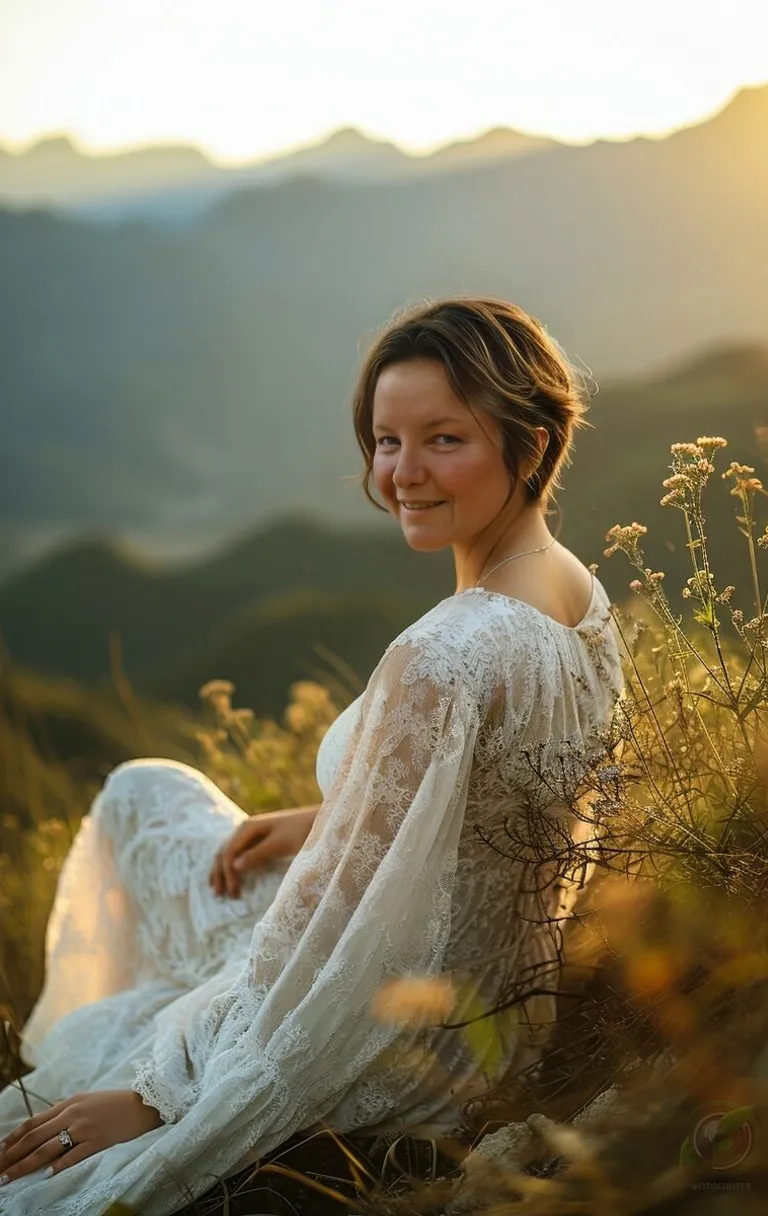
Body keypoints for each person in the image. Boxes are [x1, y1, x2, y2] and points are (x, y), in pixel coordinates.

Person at [0, 297, 625, 1215]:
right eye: (385, 441)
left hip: (399, 1025)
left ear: (527, 444)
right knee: (146, 790)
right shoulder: (576, 591)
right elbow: (504, 807)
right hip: (494, 1001)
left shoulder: (442, 654)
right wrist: (330, 815)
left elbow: (332, 932)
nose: (402, 473)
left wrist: (156, 1094)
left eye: (443, 440)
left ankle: (97, 1072)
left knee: (140, 813)